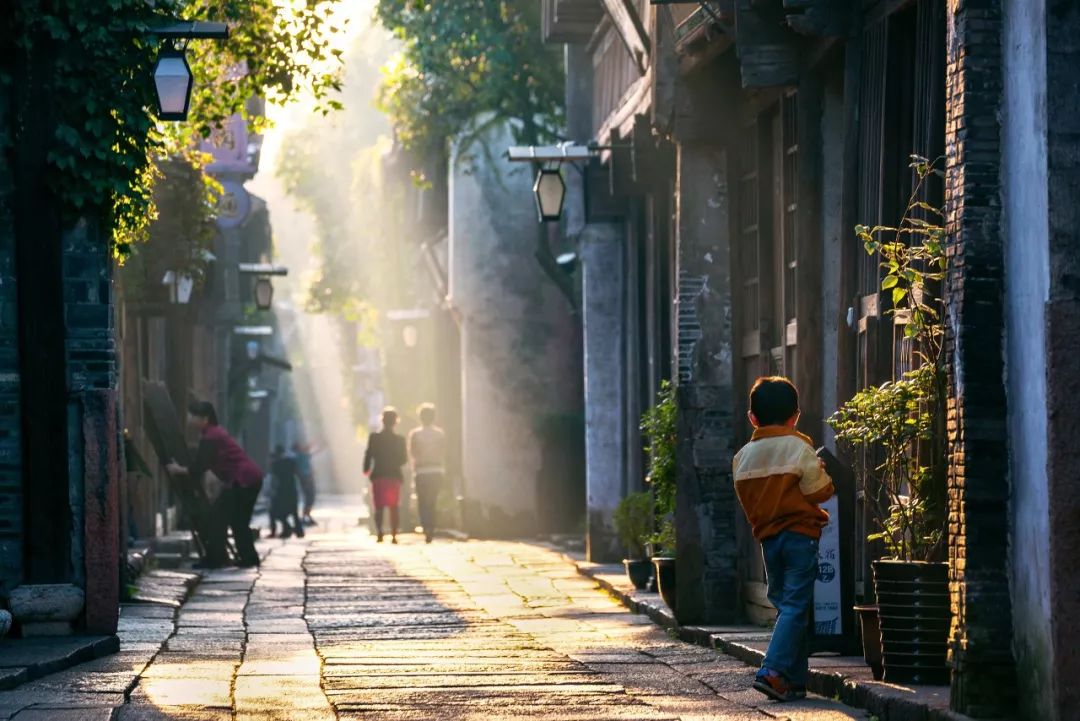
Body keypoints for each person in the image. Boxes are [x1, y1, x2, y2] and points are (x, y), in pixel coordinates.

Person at [732, 376, 834, 702]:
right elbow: (819, 491)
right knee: (795, 606)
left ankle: (794, 680)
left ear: (752, 418)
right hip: (800, 536)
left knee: (786, 606)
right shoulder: (798, 448)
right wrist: (821, 470)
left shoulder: (742, 457)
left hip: (768, 539)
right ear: (796, 416)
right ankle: (772, 671)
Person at [167, 400, 264, 569]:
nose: (190, 418)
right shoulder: (214, 433)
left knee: (218, 519)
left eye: (193, 415)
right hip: (248, 479)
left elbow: (200, 466)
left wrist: (178, 469)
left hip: (242, 480)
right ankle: (248, 558)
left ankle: (216, 559)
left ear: (205, 418)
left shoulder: (211, 436)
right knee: (238, 522)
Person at [363, 407, 407, 544]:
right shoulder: (400, 440)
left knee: (379, 506)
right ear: (395, 422)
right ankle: (394, 534)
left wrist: (366, 470)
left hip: (378, 475)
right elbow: (404, 459)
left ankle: (380, 532)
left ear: (382, 421)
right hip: (394, 475)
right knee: (394, 506)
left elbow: (368, 454)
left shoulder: (374, 438)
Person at [408, 403, 446, 544]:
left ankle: (426, 527)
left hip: (421, 471)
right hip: (436, 470)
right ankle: (431, 527)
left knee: (422, 502)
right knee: (433, 501)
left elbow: (413, 453)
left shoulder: (415, 434)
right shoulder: (439, 434)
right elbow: (442, 452)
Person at [268, 445, 304, 539]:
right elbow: (298, 474)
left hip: (281, 492)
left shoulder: (275, 464)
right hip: (292, 491)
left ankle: (280, 530)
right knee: (294, 513)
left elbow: (274, 480)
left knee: (274, 512)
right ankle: (298, 531)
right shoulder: (291, 462)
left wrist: (271, 492)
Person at [292, 440, 320, 526]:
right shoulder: (301, 456)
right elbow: (308, 448)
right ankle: (305, 515)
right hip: (306, 478)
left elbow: (308, 448)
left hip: (305, 478)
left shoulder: (298, 456)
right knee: (310, 496)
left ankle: (306, 515)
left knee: (309, 496)